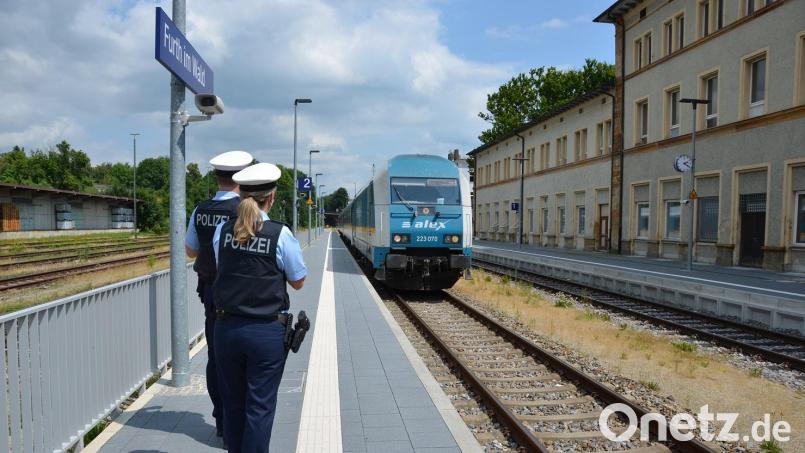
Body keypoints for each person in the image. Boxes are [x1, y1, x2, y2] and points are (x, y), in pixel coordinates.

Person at [212, 162, 307, 453]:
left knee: (233, 404)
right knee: (259, 408)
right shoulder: (280, 234)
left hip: (226, 330)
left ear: (240, 194)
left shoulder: (222, 230)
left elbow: (222, 268)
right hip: (265, 332)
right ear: (272, 197)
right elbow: (298, 280)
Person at [185, 150, 253, 438]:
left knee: (217, 355)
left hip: (210, 291)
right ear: (241, 178)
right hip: (241, 293)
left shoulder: (200, 210)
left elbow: (190, 250)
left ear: (216, 176)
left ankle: (222, 419)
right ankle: (241, 422)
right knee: (244, 357)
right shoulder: (245, 211)